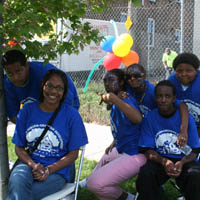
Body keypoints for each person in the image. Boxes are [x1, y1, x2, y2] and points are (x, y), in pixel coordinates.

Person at [6, 69, 88, 200]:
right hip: (29, 164)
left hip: (57, 171)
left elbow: (73, 154)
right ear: (43, 85)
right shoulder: (27, 110)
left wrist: (48, 170)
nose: (54, 91)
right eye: (50, 85)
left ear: (64, 92)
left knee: (22, 193)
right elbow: (19, 148)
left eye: (59, 88)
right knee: (17, 181)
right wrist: (34, 165)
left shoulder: (71, 115)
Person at [83, 69, 146, 200]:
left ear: (122, 82)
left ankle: (129, 198)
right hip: (124, 148)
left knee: (95, 184)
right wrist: (114, 142)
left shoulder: (125, 98)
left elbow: (138, 119)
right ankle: (88, 181)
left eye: (112, 80)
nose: (107, 84)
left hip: (136, 153)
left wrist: (114, 99)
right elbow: (123, 125)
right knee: (107, 156)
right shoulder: (119, 97)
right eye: (105, 81)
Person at [136, 80, 200, 200]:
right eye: (160, 96)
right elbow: (147, 150)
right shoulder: (150, 118)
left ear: (174, 98)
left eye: (167, 96)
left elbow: (195, 150)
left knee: (195, 175)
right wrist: (164, 161)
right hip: (161, 159)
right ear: (155, 98)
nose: (163, 100)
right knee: (146, 174)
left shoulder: (187, 119)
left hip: (183, 160)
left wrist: (182, 162)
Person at [2, 49, 80, 124]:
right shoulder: (8, 84)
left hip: (66, 102)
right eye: (10, 74)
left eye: (18, 71)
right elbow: (14, 116)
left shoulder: (45, 75)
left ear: (26, 65)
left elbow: (66, 107)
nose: (16, 78)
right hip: (38, 111)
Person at [125, 63, 188, 147]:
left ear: (144, 76)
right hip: (141, 130)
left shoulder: (153, 92)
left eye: (137, 76)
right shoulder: (128, 89)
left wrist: (183, 130)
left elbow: (182, 105)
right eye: (129, 77)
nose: (132, 79)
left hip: (160, 130)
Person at [168, 52, 200, 137]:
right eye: (179, 71)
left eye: (189, 70)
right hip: (179, 128)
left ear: (196, 71)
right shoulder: (172, 81)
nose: (183, 74)